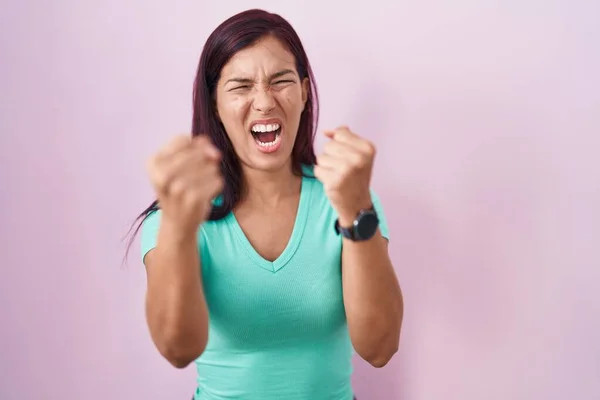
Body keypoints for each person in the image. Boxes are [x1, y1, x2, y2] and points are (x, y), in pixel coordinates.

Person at [133, 8, 403, 400]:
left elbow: (379, 348)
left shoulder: (349, 201)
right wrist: (177, 226)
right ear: (214, 105)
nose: (264, 102)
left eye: (281, 81)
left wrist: (358, 211)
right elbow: (177, 349)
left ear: (305, 92)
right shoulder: (178, 215)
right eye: (241, 86)